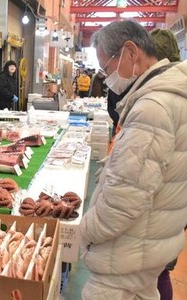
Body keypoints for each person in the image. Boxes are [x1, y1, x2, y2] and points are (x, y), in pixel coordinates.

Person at [80, 20, 187, 299]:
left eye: (107, 67)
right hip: (148, 244)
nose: (107, 77)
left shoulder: (152, 107)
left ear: (130, 52)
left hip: (127, 254)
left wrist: (85, 231)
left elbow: (124, 198)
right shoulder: (171, 95)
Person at [149, 27, 181, 300]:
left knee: (155, 272)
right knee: (162, 272)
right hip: (177, 204)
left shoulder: (160, 97)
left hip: (164, 202)